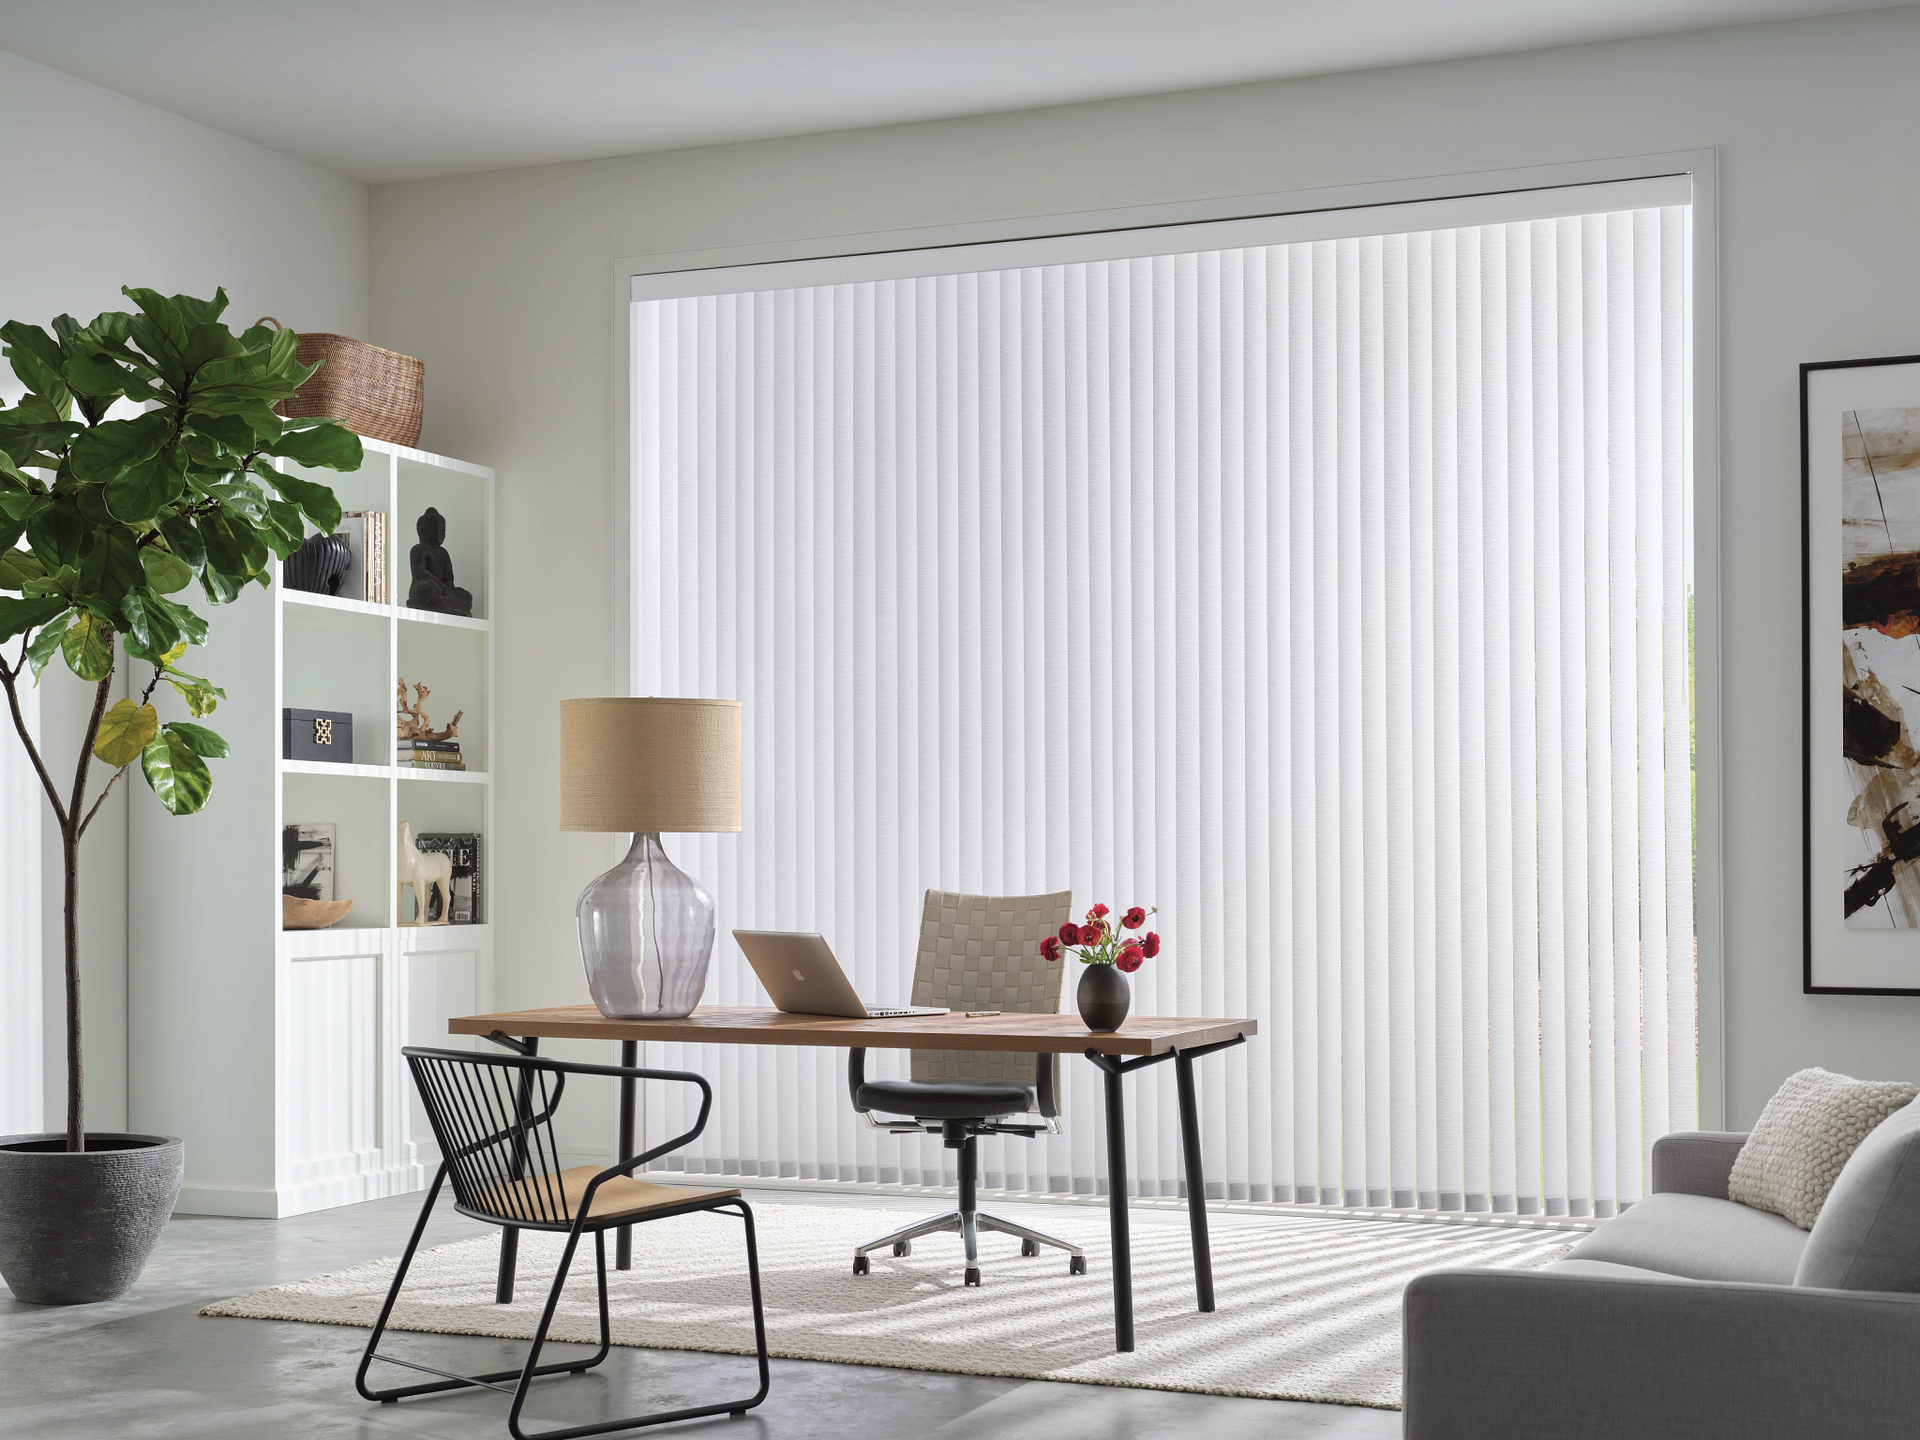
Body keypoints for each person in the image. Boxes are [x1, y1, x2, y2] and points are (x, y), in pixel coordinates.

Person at [406, 506, 473, 616]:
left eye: (444, 530)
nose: (441, 533)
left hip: (444, 591)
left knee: (467, 596)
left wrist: (449, 588)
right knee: (431, 587)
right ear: (426, 530)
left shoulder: (444, 552)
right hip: (426, 588)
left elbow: (449, 577)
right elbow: (419, 572)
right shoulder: (419, 549)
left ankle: (445, 601)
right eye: (438, 529)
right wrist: (441, 586)